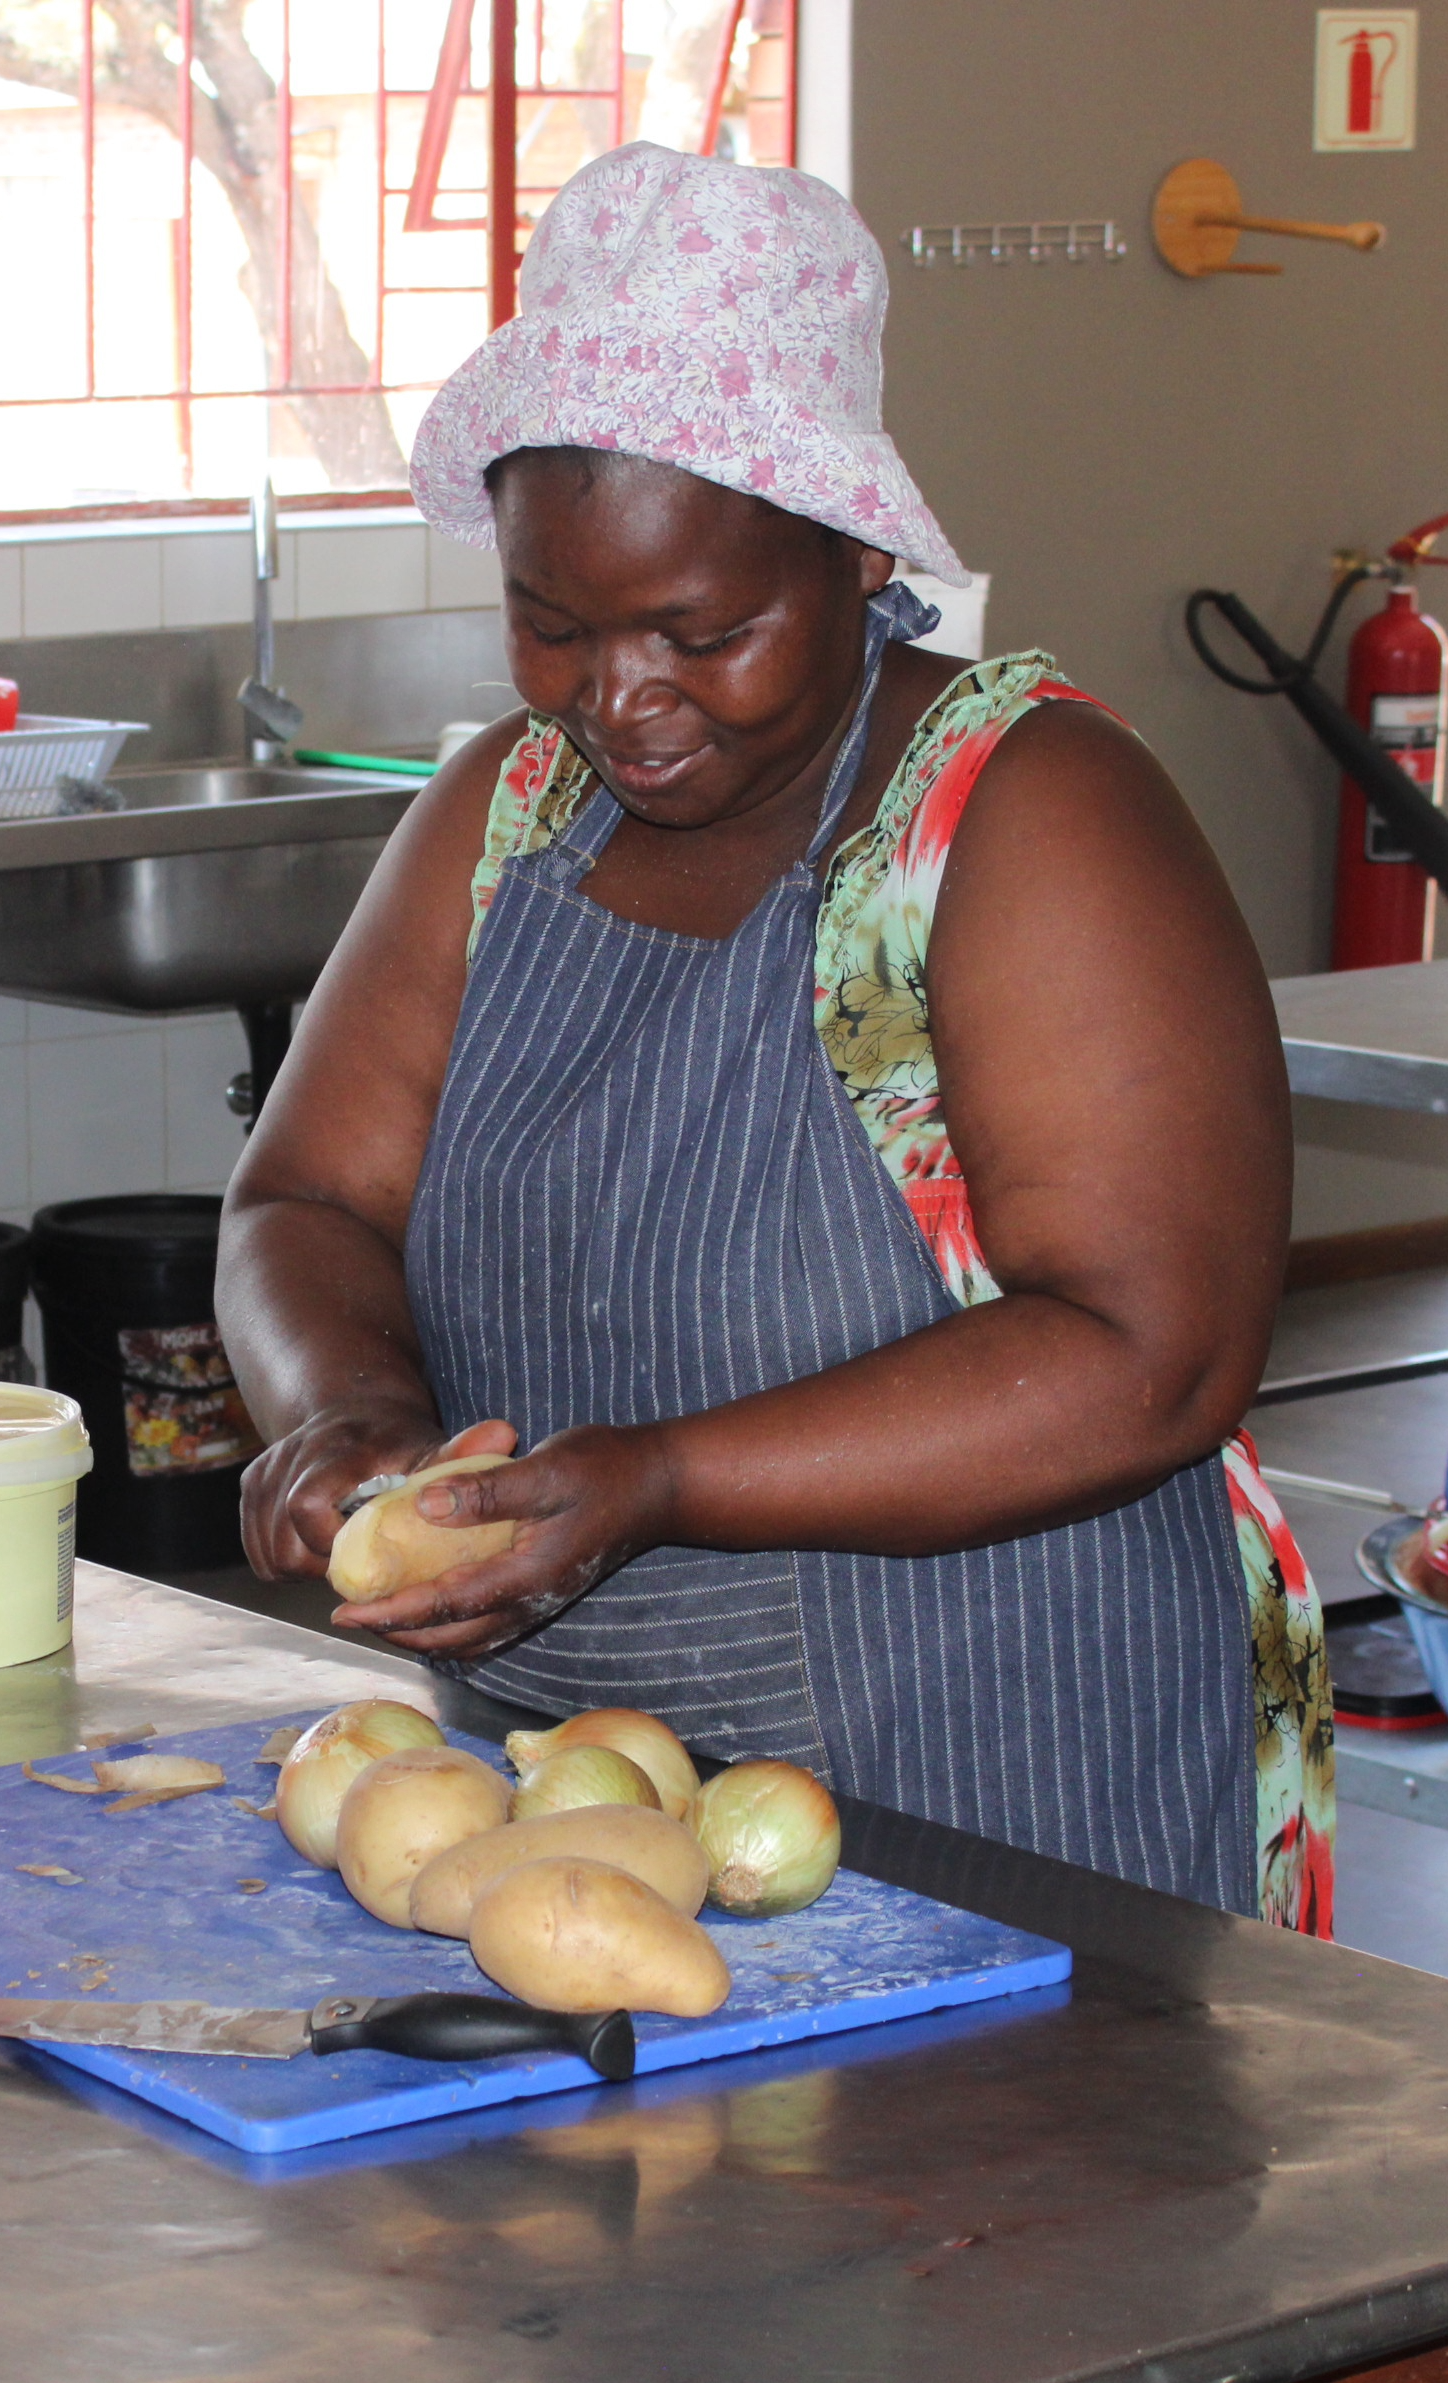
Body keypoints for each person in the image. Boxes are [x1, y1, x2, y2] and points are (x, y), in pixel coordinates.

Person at [219, 144, 1331, 1930]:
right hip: (581, 1790)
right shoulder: (497, 816)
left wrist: (659, 1482)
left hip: (1005, 1786)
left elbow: (1154, 1354)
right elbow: (305, 1205)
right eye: (552, 626)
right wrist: (348, 1413)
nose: (623, 701)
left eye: (705, 628)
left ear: (853, 546)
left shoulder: (1024, 819)